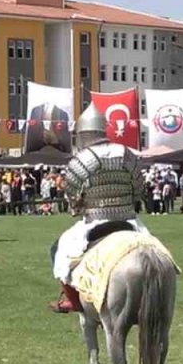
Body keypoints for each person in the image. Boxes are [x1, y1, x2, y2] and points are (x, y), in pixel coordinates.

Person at [48, 104, 148, 313]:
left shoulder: (82, 159)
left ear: (83, 134)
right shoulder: (126, 153)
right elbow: (139, 188)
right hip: (129, 220)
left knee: (58, 249)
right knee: (154, 250)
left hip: (95, 220)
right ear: (103, 130)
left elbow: (72, 197)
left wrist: (80, 205)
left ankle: (73, 301)